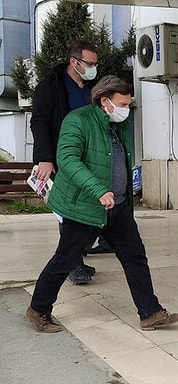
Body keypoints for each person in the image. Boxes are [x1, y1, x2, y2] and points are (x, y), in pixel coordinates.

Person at [26, 75, 178, 333]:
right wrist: (99, 190)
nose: (127, 109)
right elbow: (67, 159)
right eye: (122, 104)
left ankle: (150, 313)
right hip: (84, 207)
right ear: (104, 101)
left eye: (129, 104)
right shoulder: (77, 121)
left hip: (117, 206)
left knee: (135, 258)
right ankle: (38, 309)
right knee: (64, 260)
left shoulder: (116, 123)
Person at [31, 40, 112, 285]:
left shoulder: (92, 89)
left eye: (95, 64)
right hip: (62, 158)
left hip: (90, 158)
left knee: (85, 208)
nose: (93, 68)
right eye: (89, 63)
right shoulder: (50, 87)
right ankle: (72, 263)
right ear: (74, 62)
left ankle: (75, 257)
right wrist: (45, 158)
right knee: (68, 211)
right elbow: (40, 122)